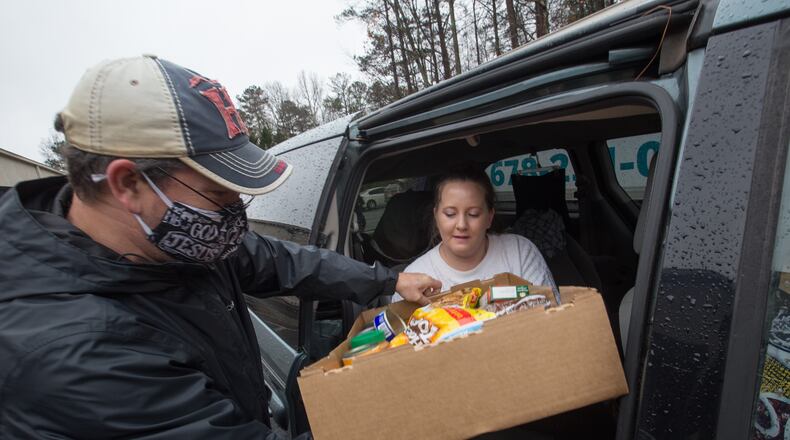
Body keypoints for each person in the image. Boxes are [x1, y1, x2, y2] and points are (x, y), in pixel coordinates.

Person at [0, 55, 440, 439]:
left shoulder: (177, 238)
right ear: (129, 183)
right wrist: (431, 403)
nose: (237, 215)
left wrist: (390, 278)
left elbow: (278, 258)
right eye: (222, 194)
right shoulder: (80, 357)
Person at [393, 165, 558, 301]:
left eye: (473, 214)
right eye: (450, 214)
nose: (462, 225)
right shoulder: (414, 279)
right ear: (436, 216)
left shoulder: (520, 252)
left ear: (489, 217)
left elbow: (553, 313)